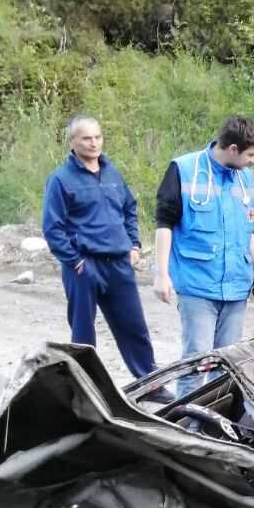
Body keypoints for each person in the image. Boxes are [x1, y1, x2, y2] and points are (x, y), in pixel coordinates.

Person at [41, 116, 156, 378]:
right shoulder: (61, 180)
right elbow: (52, 228)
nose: (94, 143)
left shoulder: (112, 173)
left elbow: (129, 208)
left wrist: (134, 244)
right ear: (72, 142)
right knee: (83, 333)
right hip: (83, 266)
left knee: (134, 327)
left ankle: (150, 382)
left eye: (98, 137)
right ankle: (85, 386)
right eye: (86, 138)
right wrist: (75, 261)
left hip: (118, 263)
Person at [153, 115, 254, 358]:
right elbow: (164, 224)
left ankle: (223, 399)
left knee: (228, 361)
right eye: (251, 155)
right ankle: (191, 399)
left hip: (237, 287)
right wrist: (161, 275)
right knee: (197, 359)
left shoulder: (245, 176)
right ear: (233, 149)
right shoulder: (184, 170)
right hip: (198, 285)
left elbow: (251, 229)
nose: (253, 161)